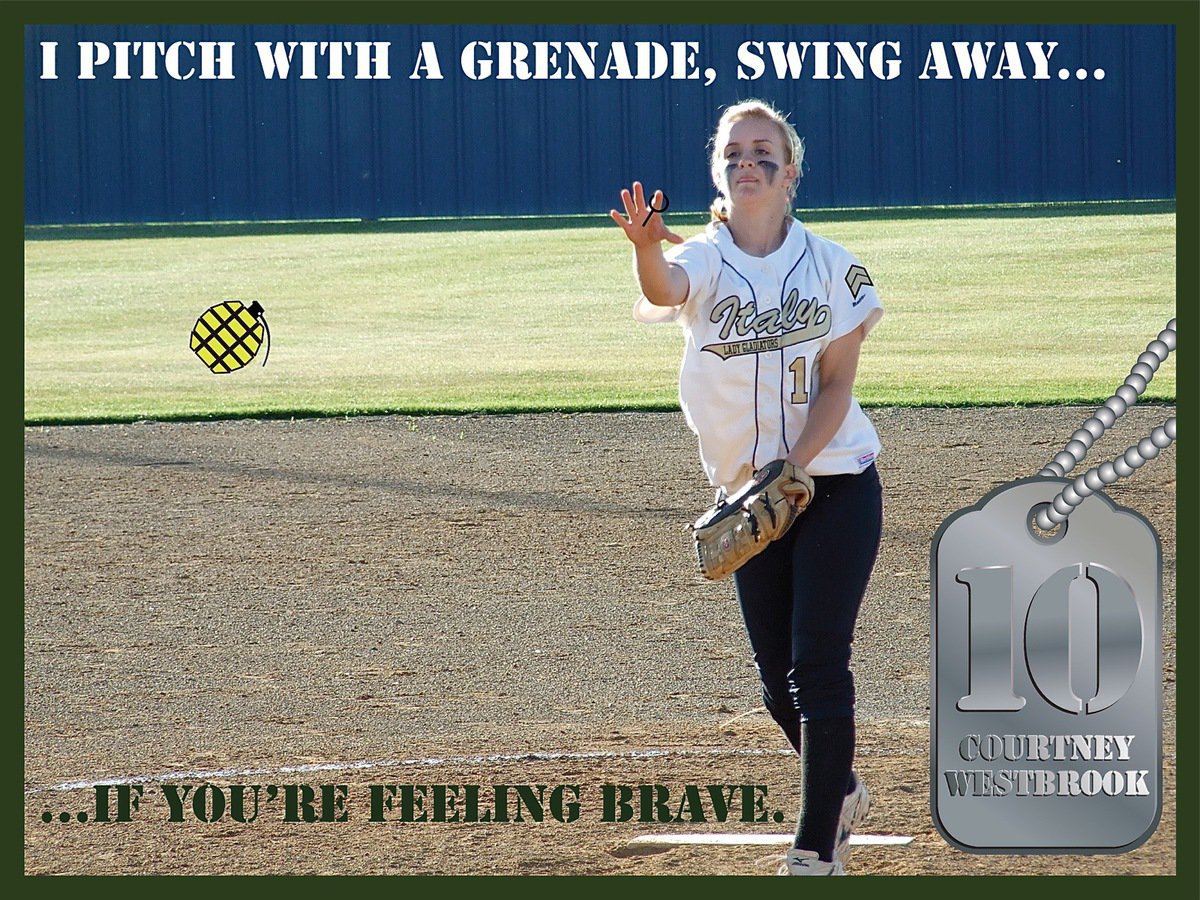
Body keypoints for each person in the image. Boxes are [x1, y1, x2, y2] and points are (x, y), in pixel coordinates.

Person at [610, 99, 884, 876]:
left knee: (818, 662)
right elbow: (666, 288)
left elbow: (837, 386)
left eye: (763, 150)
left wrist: (794, 466)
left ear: (790, 172)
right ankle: (843, 790)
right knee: (776, 684)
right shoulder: (704, 258)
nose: (748, 161)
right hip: (750, 500)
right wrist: (641, 248)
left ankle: (814, 846)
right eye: (734, 152)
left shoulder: (834, 266)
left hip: (833, 483)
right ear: (720, 174)